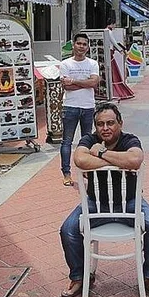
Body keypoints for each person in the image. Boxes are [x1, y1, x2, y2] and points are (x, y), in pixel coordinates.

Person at [59, 103, 149, 297]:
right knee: (68, 230)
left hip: (130, 202)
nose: (105, 128)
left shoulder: (129, 140)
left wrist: (100, 153)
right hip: (95, 203)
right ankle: (79, 277)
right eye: (100, 124)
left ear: (120, 123)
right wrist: (119, 161)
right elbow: (80, 160)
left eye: (110, 123)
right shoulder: (89, 139)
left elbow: (135, 160)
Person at [59, 33, 101, 186]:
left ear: (88, 47)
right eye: (79, 43)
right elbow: (66, 86)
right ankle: (66, 173)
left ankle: (87, 170)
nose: (81, 47)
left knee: (87, 140)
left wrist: (74, 81)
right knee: (67, 141)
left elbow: (94, 83)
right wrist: (86, 82)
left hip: (88, 107)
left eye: (84, 44)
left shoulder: (92, 63)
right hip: (70, 106)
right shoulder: (65, 64)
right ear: (74, 45)